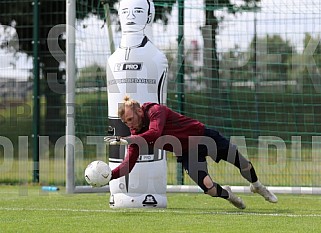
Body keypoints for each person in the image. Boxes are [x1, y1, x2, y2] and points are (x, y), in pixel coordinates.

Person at [105, 96, 278, 209]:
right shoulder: (136, 136)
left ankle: (257, 186)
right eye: (125, 122)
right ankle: (228, 194)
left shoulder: (155, 110)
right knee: (209, 189)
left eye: (130, 119)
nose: (129, 125)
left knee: (242, 163)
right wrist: (107, 176)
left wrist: (128, 139)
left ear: (139, 111)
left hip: (203, 136)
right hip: (187, 153)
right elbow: (127, 166)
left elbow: (155, 132)